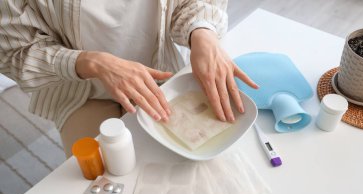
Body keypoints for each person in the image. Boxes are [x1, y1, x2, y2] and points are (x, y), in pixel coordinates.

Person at [0, 0, 258, 157]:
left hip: (163, 71)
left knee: (211, 157)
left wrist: (202, 31)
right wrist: (92, 62)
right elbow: (12, 52)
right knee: (103, 184)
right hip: (82, 90)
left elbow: (194, 2)